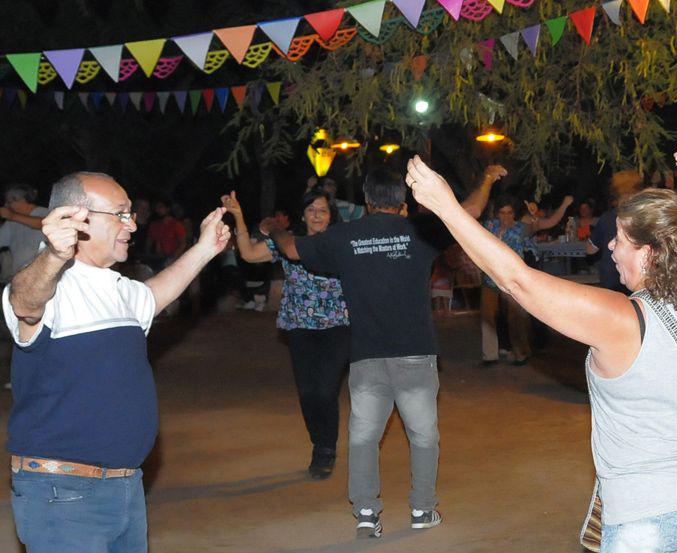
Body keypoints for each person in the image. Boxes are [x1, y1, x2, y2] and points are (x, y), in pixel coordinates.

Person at [405, 140, 677, 552]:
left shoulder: (622, 319)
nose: (610, 247)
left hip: (647, 510)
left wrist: (447, 208)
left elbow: (518, 281)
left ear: (650, 254)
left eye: (620, 240)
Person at [3, 171, 229, 552]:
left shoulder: (117, 289)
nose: (133, 224)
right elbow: (24, 303)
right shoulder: (48, 287)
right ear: (78, 218)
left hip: (125, 486)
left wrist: (205, 248)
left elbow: (155, 295)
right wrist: (56, 254)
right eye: (121, 214)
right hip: (64, 494)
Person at [269, 166, 496, 538]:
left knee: (363, 438)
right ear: (402, 201)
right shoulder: (420, 231)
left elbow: (292, 248)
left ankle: (365, 514)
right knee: (423, 436)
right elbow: (468, 211)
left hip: (367, 355)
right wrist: (485, 179)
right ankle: (423, 509)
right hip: (415, 354)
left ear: (367, 199)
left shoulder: (344, 236)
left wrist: (273, 229)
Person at [221, 189, 350, 479]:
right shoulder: (289, 241)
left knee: (325, 390)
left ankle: (326, 450)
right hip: (300, 326)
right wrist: (239, 216)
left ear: (331, 215)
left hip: (337, 326)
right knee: (307, 392)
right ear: (303, 215)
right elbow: (249, 253)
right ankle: (319, 443)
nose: (317, 215)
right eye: (312, 210)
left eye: (323, 210)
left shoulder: (340, 241)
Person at [480, 190, 572, 365]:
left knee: (516, 318)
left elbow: (549, 222)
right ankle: (489, 356)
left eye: (509, 213)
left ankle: (521, 353)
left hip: (512, 280)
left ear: (514, 214)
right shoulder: (489, 226)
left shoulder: (521, 228)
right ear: (497, 213)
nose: (505, 217)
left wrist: (565, 205)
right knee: (487, 317)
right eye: (502, 213)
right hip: (490, 279)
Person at [587, 170, 644, 293]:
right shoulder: (645, 217)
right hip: (638, 279)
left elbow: (590, 250)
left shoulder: (607, 218)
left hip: (612, 281)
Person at [0, 183, 49, 283]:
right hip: (19, 277)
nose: (6, 206)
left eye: (9, 202)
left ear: (22, 200)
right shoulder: (11, 222)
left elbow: (43, 224)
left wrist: (12, 216)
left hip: (44, 276)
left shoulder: (45, 213)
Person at [146, 198, 188, 272]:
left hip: (171, 259)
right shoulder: (154, 225)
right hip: (156, 260)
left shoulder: (176, 225)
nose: (157, 210)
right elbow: (149, 242)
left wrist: (173, 259)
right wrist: (147, 255)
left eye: (160, 207)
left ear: (168, 209)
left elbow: (183, 243)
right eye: (156, 208)